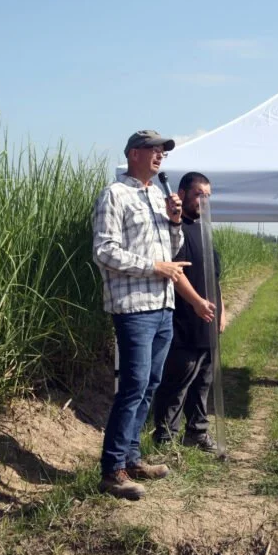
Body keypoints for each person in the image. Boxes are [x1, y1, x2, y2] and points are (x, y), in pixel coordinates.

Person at [92, 129, 194, 500]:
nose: (160, 156)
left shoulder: (157, 195)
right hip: (134, 306)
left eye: (163, 152)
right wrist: (155, 267)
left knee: (151, 384)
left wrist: (176, 222)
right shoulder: (114, 195)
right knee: (133, 386)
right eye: (154, 150)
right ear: (134, 153)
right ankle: (112, 470)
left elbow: (172, 248)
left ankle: (132, 457)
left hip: (163, 305)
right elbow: (104, 251)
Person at [152, 172, 224, 453]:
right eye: (198, 194)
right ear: (181, 194)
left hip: (208, 320)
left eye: (207, 195)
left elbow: (214, 276)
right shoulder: (175, 230)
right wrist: (196, 302)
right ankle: (166, 439)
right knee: (178, 381)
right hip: (184, 320)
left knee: (203, 381)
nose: (203, 201)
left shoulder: (206, 230)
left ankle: (197, 432)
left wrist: (222, 311)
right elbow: (175, 272)